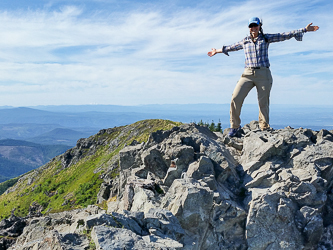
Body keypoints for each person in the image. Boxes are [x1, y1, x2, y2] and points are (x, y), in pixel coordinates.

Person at [208, 17, 319, 137]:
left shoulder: (266, 38)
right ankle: (234, 126)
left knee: (263, 102)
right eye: (251, 26)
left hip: (264, 74)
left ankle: (264, 127)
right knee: (235, 97)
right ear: (249, 28)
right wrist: (217, 51)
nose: (253, 28)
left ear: (260, 26)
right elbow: (231, 47)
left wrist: (304, 30)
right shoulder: (245, 41)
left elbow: (283, 35)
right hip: (247, 74)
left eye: (255, 25)